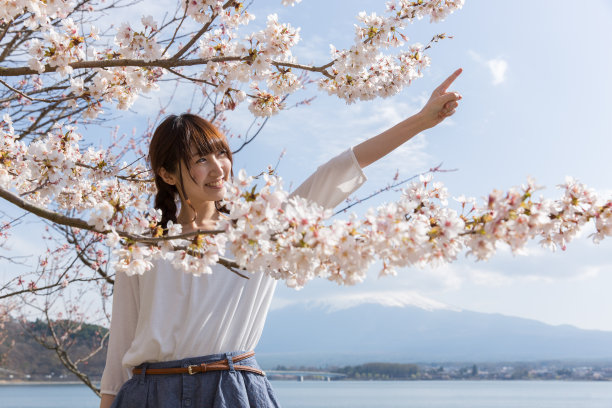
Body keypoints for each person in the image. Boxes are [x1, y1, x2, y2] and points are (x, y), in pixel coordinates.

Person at [99, 68, 462, 408]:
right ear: (166, 173)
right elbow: (118, 358)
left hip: (231, 389)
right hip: (150, 393)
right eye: (200, 159)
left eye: (220, 153)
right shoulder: (141, 248)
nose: (217, 168)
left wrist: (422, 120)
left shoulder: (260, 229)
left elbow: (334, 172)